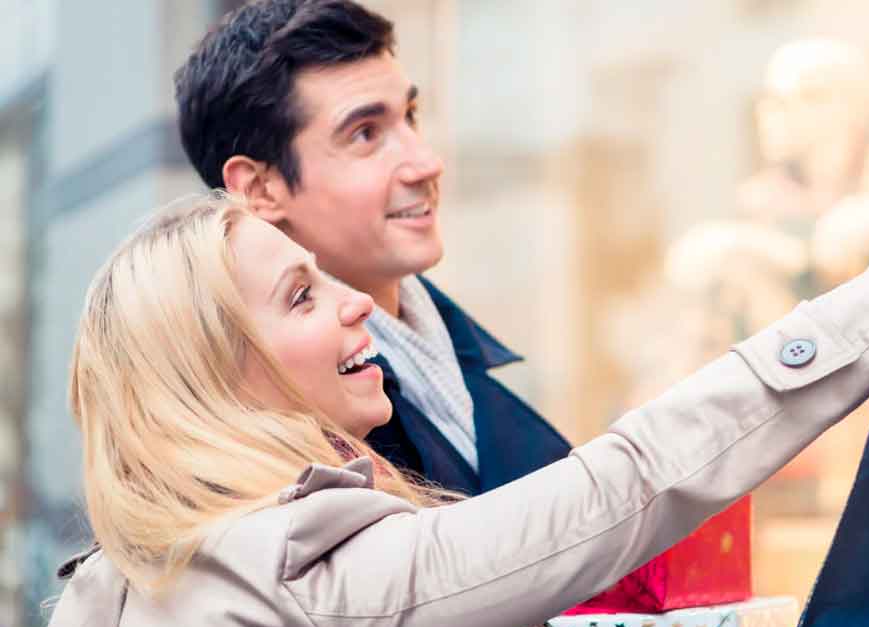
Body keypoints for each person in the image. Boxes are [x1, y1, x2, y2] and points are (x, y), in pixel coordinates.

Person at [29, 100, 869, 627]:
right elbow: (632, 481)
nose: (356, 307)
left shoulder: (126, 585)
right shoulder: (305, 573)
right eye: (301, 298)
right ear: (215, 377)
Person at [173, 0, 571, 496]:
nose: (425, 163)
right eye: (366, 134)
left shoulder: (452, 352)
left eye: (411, 116)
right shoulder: (283, 455)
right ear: (259, 189)